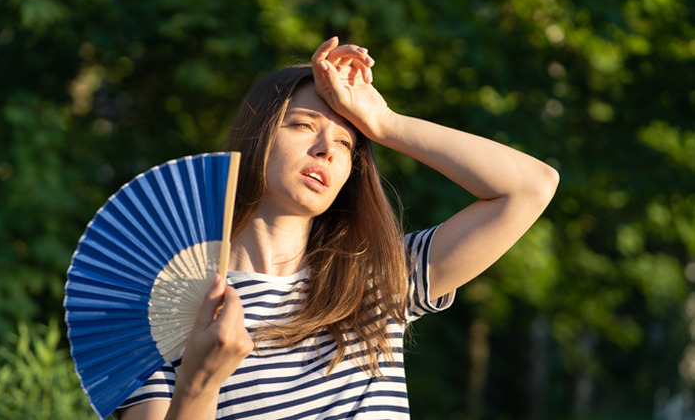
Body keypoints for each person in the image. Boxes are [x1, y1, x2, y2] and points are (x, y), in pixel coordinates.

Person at [117, 37, 559, 419]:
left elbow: (530, 187)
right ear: (258, 137)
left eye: (347, 143)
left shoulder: (380, 278)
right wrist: (199, 384)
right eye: (303, 125)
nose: (327, 148)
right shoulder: (166, 308)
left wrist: (384, 124)